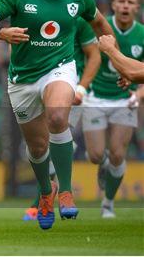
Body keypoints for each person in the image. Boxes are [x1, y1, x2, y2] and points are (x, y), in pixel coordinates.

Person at [0, 0, 114, 230]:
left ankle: (65, 189)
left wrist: (118, 59)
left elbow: (101, 24)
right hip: (22, 79)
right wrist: (2, 32)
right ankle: (45, 192)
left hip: (59, 68)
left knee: (57, 116)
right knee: (37, 147)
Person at [23, 17, 101, 221]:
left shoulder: (77, 19)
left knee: (58, 131)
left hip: (69, 88)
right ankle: (49, 192)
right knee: (38, 144)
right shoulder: (35, 15)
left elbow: (95, 55)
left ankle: (51, 197)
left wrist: (82, 88)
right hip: (38, 84)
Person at [82, 0, 144, 218]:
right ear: (114, 4)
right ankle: (103, 162)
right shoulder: (98, 25)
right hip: (96, 97)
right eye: (122, 1)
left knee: (119, 154)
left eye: (130, 2)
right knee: (96, 155)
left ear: (137, 8)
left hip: (124, 101)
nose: (126, 6)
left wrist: (137, 95)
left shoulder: (142, 35)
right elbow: (85, 54)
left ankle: (107, 202)